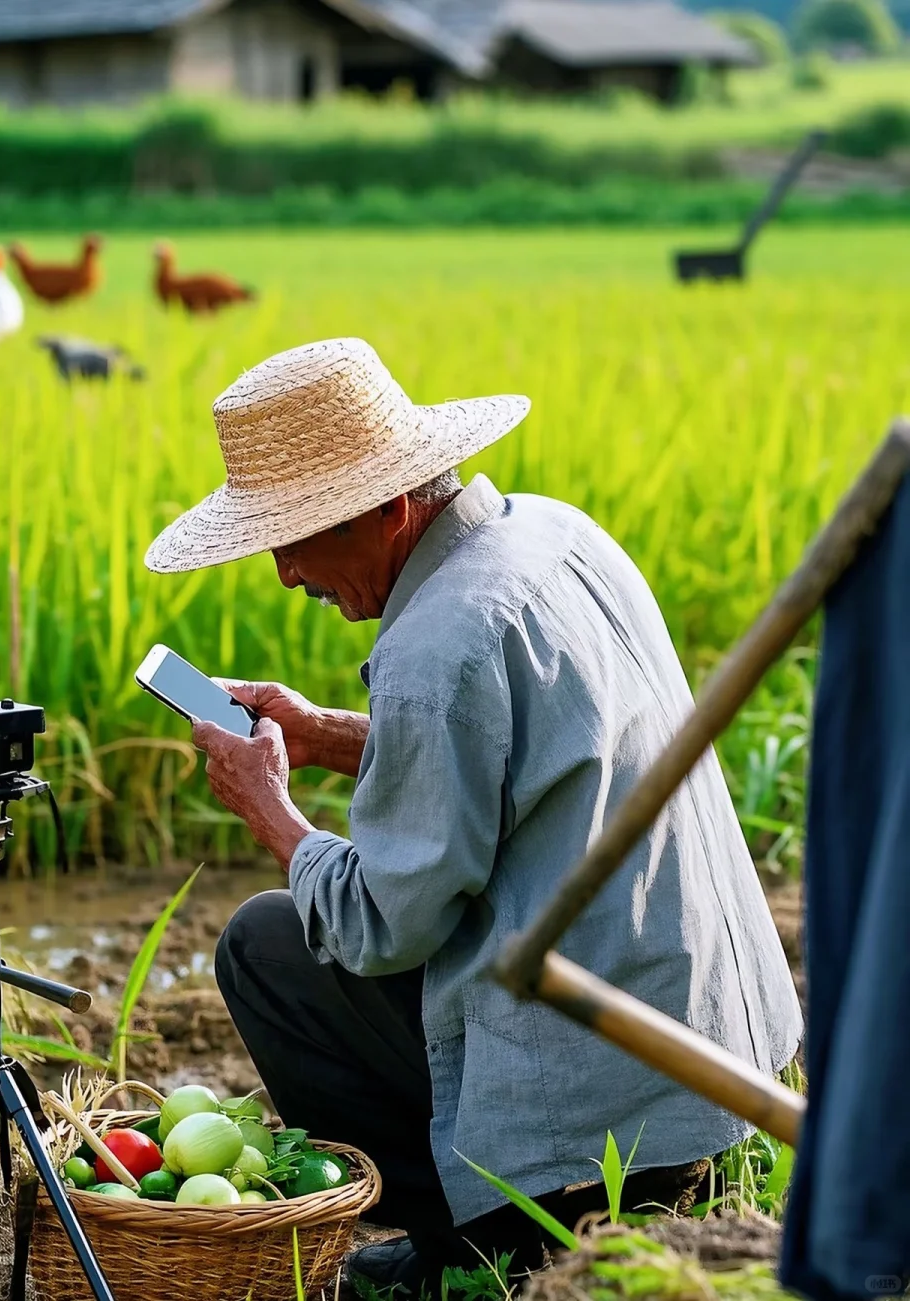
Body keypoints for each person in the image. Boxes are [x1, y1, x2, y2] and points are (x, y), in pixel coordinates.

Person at [144, 337, 802, 1292]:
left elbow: (379, 926)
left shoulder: (433, 649)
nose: (286, 573)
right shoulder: (554, 534)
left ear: (387, 507)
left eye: (294, 537)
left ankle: (483, 1241)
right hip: (716, 1057)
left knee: (267, 943)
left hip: (602, 1110)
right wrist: (330, 733)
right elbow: (528, 763)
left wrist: (274, 811)